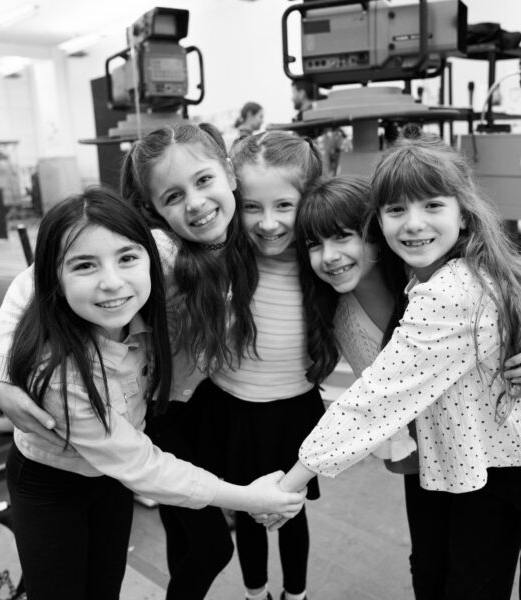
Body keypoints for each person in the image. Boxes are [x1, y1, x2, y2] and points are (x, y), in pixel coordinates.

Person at [276, 136, 521, 600]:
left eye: (432, 205)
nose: (413, 223)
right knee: (461, 577)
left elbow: (375, 398)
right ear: (380, 222)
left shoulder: (451, 284)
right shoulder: (413, 279)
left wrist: (292, 481)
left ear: (463, 213)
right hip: (478, 457)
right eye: (396, 210)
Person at [0, 122, 261, 599]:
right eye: (173, 196)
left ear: (229, 173)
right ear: (153, 208)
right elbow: (33, 282)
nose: (196, 203)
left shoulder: (254, 232)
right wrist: (2, 372)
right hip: (98, 440)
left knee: (121, 572)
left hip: (157, 418)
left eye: (204, 180)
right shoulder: (155, 251)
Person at [194, 130, 323, 600]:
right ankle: (255, 594)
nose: (268, 223)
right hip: (233, 410)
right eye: (252, 206)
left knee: (291, 512)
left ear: (308, 201)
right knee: (248, 513)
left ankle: (295, 594)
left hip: (294, 411)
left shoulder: (322, 262)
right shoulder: (221, 258)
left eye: (284, 205)